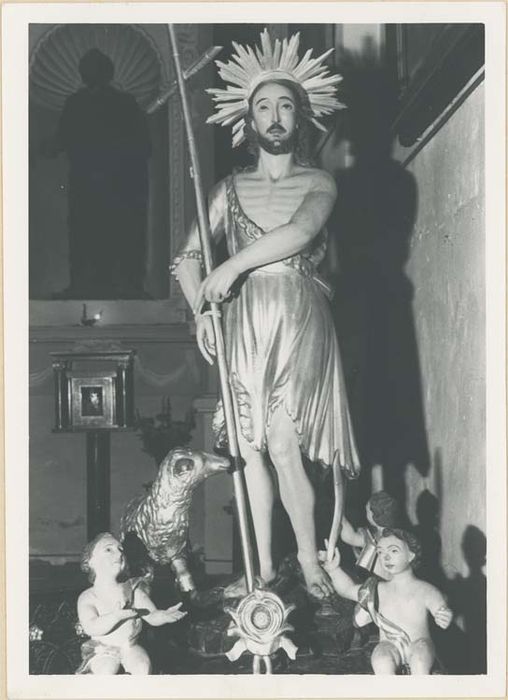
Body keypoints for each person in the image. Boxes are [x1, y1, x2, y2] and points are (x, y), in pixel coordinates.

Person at [170, 30, 360, 599]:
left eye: (285, 105)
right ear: (248, 120)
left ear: (300, 116)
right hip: (241, 324)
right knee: (246, 448)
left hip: (298, 309)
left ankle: (309, 558)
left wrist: (226, 273)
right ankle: (262, 571)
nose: (274, 116)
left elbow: (301, 232)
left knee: (283, 444)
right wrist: (200, 309)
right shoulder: (227, 189)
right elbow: (186, 257)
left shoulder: (319, 181)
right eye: (263, 106)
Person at [53, 49, 151, 299]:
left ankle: (120, 285)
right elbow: (62, 139)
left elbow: (143, 144)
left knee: (108, 233)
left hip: (113, 184)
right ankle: (90, 286)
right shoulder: (94, 102)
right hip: (96, 184)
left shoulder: (92, 103)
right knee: (89, 234)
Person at [319, 529, 453, 674]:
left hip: (418, 644)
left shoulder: (425, 590)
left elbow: (441, 610)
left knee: (420, 660)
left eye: (393, 551)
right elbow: (347, 589)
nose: (386, 558)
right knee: (381, 660)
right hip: (389, 645)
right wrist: (334, 570)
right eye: (381, 552)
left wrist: (444, 617)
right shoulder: (377, 589)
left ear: (411, 555)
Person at [76, 532, 186, 674]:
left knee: (142, 667)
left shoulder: (132, 589)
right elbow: (91, 627)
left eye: (120, 549)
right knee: (106, 669)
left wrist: (163, 616)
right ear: (90, 561)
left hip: (130, 646)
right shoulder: (88, 596)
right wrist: (115, 616)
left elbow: (151, 615)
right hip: (103, 648)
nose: (119, 554)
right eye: (109, 549)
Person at [340, 490, 401, 579]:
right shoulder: (399, 536)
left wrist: (342, 518)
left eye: (367, 511)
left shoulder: (372, 538)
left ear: (374, 515)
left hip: (376, 582)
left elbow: (350, 537)